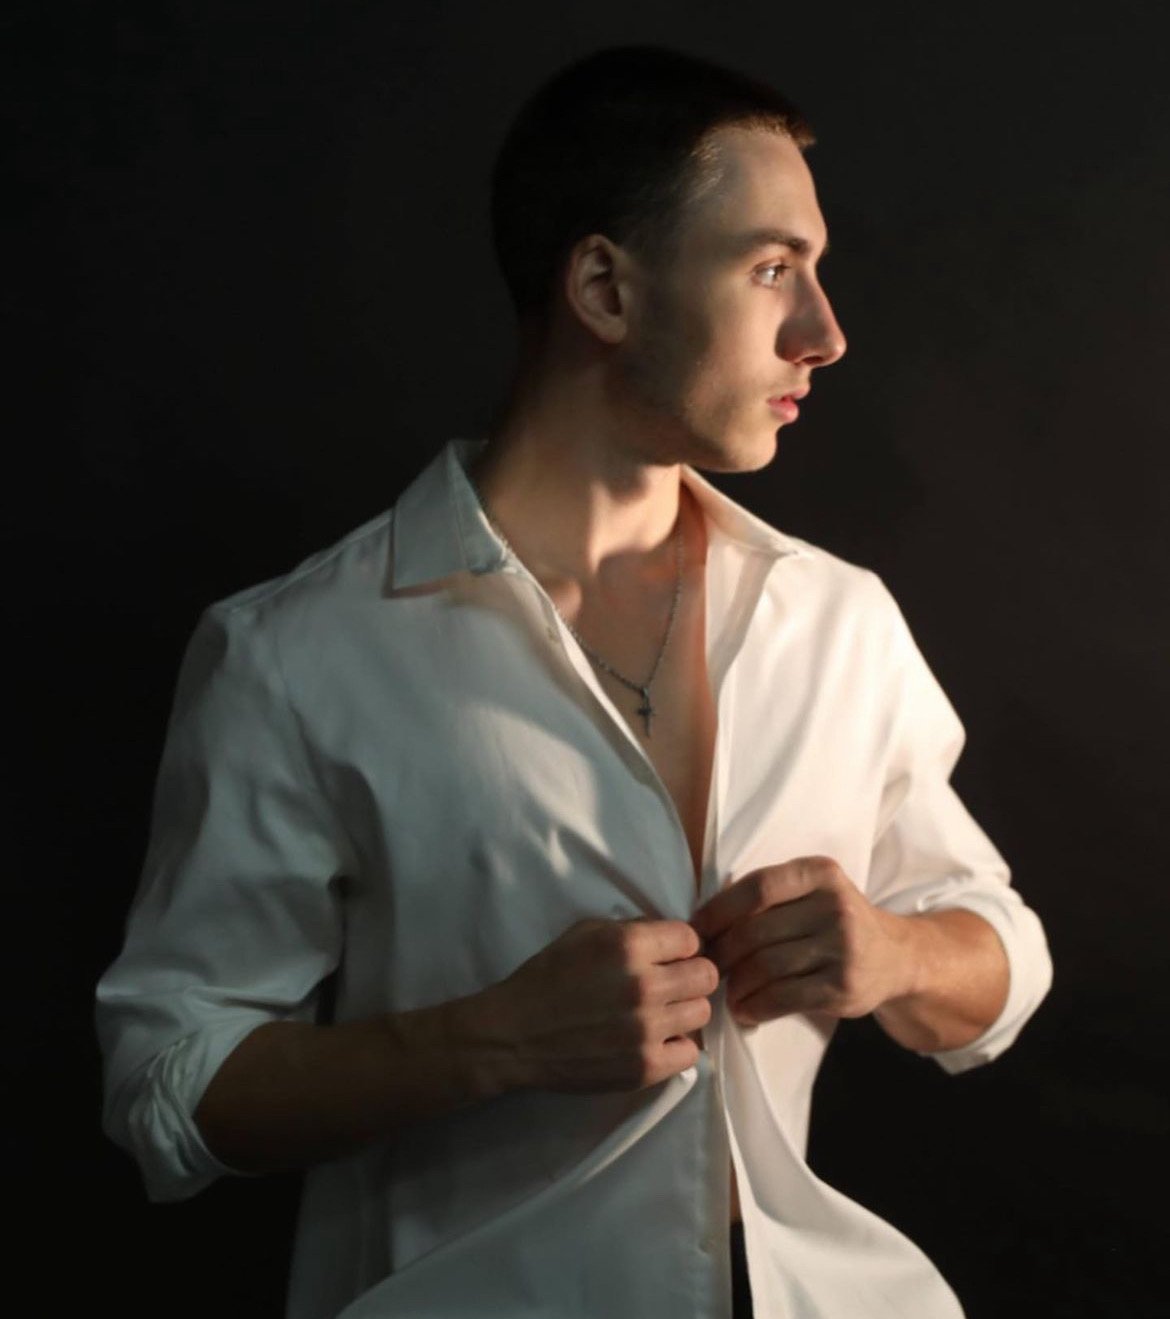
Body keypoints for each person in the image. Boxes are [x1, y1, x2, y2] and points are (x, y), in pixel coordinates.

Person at [95, 43, 1053, 1319]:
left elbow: (999, 949)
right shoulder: (295, 652)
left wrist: (890, 950)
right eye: (773, 269)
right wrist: (489, 1038)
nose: (825, 334)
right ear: (605, 286)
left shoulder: (840, 620)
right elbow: (167, 1077)